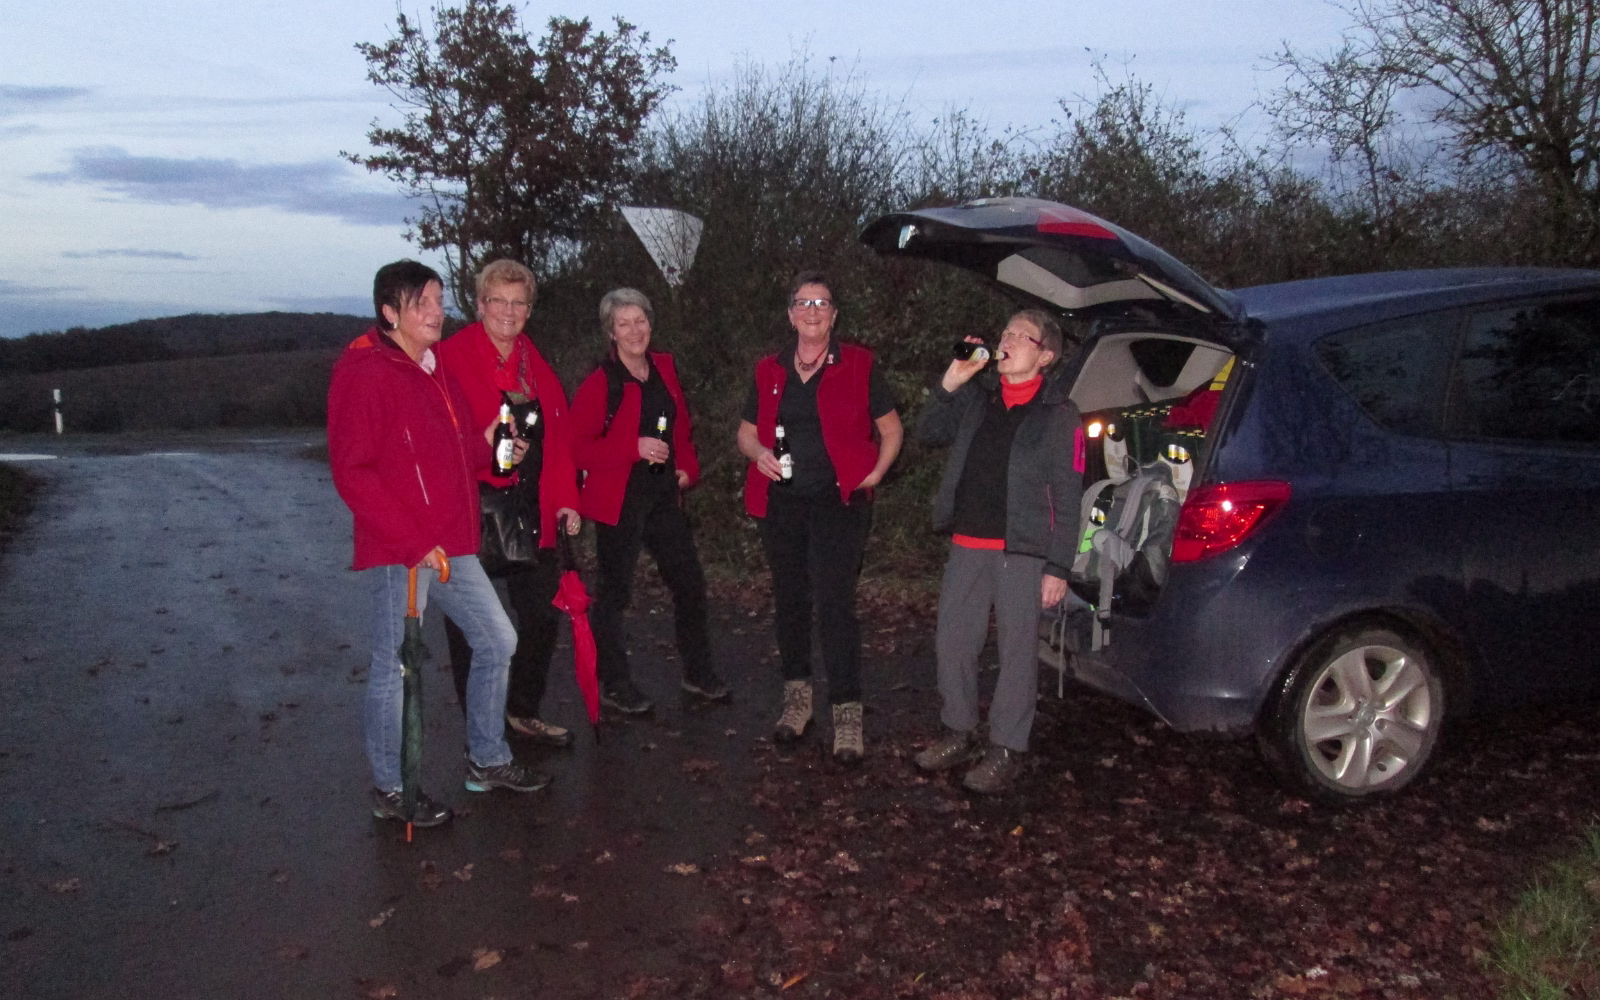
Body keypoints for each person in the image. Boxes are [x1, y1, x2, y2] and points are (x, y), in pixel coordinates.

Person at [328, 260, 549, 828]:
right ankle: (392, 787)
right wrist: (411, 540)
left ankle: (487, 759)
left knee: (498, 639)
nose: (436, 311)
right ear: (390, 312)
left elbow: (456, 450)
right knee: (398, 666)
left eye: (438, 299)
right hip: (402, 548)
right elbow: (353, 472)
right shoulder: (366, 372)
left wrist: (493, 446)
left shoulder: (434, 367)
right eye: (422, 302)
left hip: (450, 543)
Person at [912, 309, 1082, 794]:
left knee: (1017, 652)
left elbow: (1068, 494)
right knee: (953, 643)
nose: (1007, 340)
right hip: (968, 542)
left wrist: (1058, 566)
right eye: (1005, 332)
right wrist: (953, 379)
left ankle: (1006, 747)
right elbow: (927, 432)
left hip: (1023, 550)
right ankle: (959, 732)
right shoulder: (977, 400)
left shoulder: (1058, 414)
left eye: (1020, 336)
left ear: (1045, 356)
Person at [736, 270, 902, 762]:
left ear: (834, 315)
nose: (813, 311)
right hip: (782, 502)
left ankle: (847, 715)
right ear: (791, 315)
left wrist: (876, 472)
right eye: (804, 303)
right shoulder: (768, 369)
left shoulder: (860, 364)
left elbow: (892, 429)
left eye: (822, 303)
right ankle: (797, 702)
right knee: (790, 600)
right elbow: (745, 432)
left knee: (834, 604)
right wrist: (758, 454)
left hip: (838, 502)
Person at [435, 259, 582, 750]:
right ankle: (481, 731)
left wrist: (566, 502)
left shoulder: (536, 365)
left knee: (541, 616)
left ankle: (521, 711)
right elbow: (434, 438)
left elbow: (559, 442)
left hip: (530, 509)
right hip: (470, 511)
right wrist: (479, 443)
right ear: (479, 305)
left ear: (529, 310)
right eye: (497, 300)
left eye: (519, 302)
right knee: (471, 628)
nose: (508, 311)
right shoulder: (450, 359)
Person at [570, 288, 730, 713]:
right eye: (623, 324)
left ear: (650, 324)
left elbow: (681, 427)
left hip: (662, 496)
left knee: (689, 583)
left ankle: (698, 673)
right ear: (611, 332)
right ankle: (615, 683)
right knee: (614, 594)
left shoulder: (663, 368)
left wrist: (687, 468)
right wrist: (632, 448)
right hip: (618, 500)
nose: (634, 330)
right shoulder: (601, 383)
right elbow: (576, 448)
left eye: (640, 321)